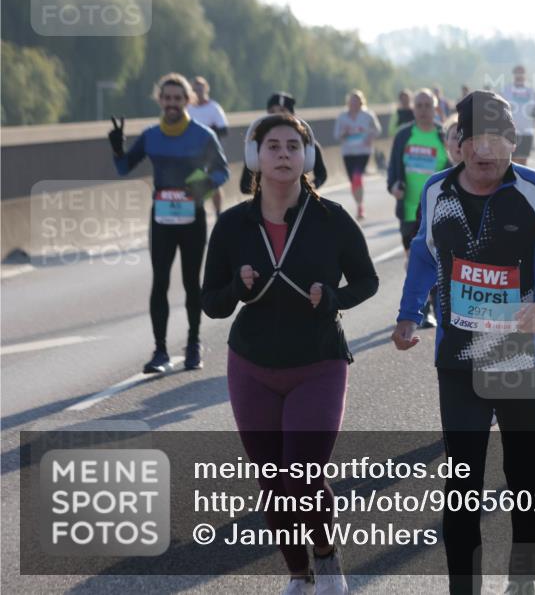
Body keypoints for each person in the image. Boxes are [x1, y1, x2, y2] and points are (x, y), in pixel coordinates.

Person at [392, 90, 535, 595]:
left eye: (497, 140)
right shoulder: (436, 191)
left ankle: (524, 579)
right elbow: (422, 255)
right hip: (457, 359)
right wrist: (409, 315)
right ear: (458, 142)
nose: (485, 152)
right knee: (461, 487)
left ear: (513, 143)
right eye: (475, 139)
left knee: (523, 479)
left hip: (517, 355)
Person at [202, 113, 378, 595]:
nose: (283, 154)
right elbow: (209, 301)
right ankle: (299, 574)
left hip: (318, 364)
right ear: (256, 157)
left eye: (292, 147)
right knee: (274, 485)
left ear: (308, 157)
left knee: (303, 476)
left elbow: (367, 279)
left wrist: (335, 298)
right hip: (252, 367)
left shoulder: (331, 219)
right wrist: (235, 288)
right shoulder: (234, 224)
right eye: (272, 146)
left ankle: (327, 560)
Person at [109, 72, 230, 374]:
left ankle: (193, 345)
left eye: (178, 98)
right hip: (162, 218)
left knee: (192, 282)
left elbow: (222, 172)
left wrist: (197, 187)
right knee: (159, 281)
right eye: (167, 98)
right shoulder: (151, 135)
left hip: (192, 217)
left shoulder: (203, 135)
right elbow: (124, 168)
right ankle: (160, 351)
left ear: (187, 100)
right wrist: (116, 147)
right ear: (160, 100)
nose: (172, 104)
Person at [386, 89, 450, 328]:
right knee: (413, 259)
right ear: (413, 109)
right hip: (409, 210)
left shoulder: (443, 135)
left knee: (436, 259)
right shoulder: (404, 135)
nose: (423, 110)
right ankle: (422, 305)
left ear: (435, 109)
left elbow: (453, 166)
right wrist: (394, 187)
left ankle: (429, 306)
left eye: (428, 105)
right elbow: (393, 169)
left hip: (437, 210)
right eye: (419, 105)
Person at [240, 92, 328, 195]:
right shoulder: (258, 145)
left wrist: (311, 188)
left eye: (292, 147)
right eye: (273, 147)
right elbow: (244, 186)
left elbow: (321, 174)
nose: (277, 115)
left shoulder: (307, 144)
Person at [333, 90, 382, 220]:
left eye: (357, 101)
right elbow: (336, 135)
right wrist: (343, 133)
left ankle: (360, 207)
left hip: (363, 151)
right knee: (353, 181)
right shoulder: (342, 117)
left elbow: (377, 129)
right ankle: (359, 203)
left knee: (357, 177)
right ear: (348, 103)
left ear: (362, 102)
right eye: (352, 102)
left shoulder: (367, 115)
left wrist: (370, 136)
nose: (354, 104)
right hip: (348, 152)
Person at [187, 76, 229, 217]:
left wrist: (206, 136)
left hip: (211, 152)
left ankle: (218, 213)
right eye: (195, 88)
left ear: (206, 89)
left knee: (213, 184)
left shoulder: (213, 108)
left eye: (200, 88)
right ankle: (198, 212)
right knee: (195, 182)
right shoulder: (187, 108)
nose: (198, 91)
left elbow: (224, 130)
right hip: (191, 153)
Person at [500, 65, 535, 166]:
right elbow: (500, 107)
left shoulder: (531, 90)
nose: (519, 75)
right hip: (512, 130)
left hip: (527, 129)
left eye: (521, 73)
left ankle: (520, 180)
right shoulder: (507, 89)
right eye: (517, 73)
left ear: (525, 75)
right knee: (514, 159)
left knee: (524, 159)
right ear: (514, 75)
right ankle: (514, 180)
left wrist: (533, 115)